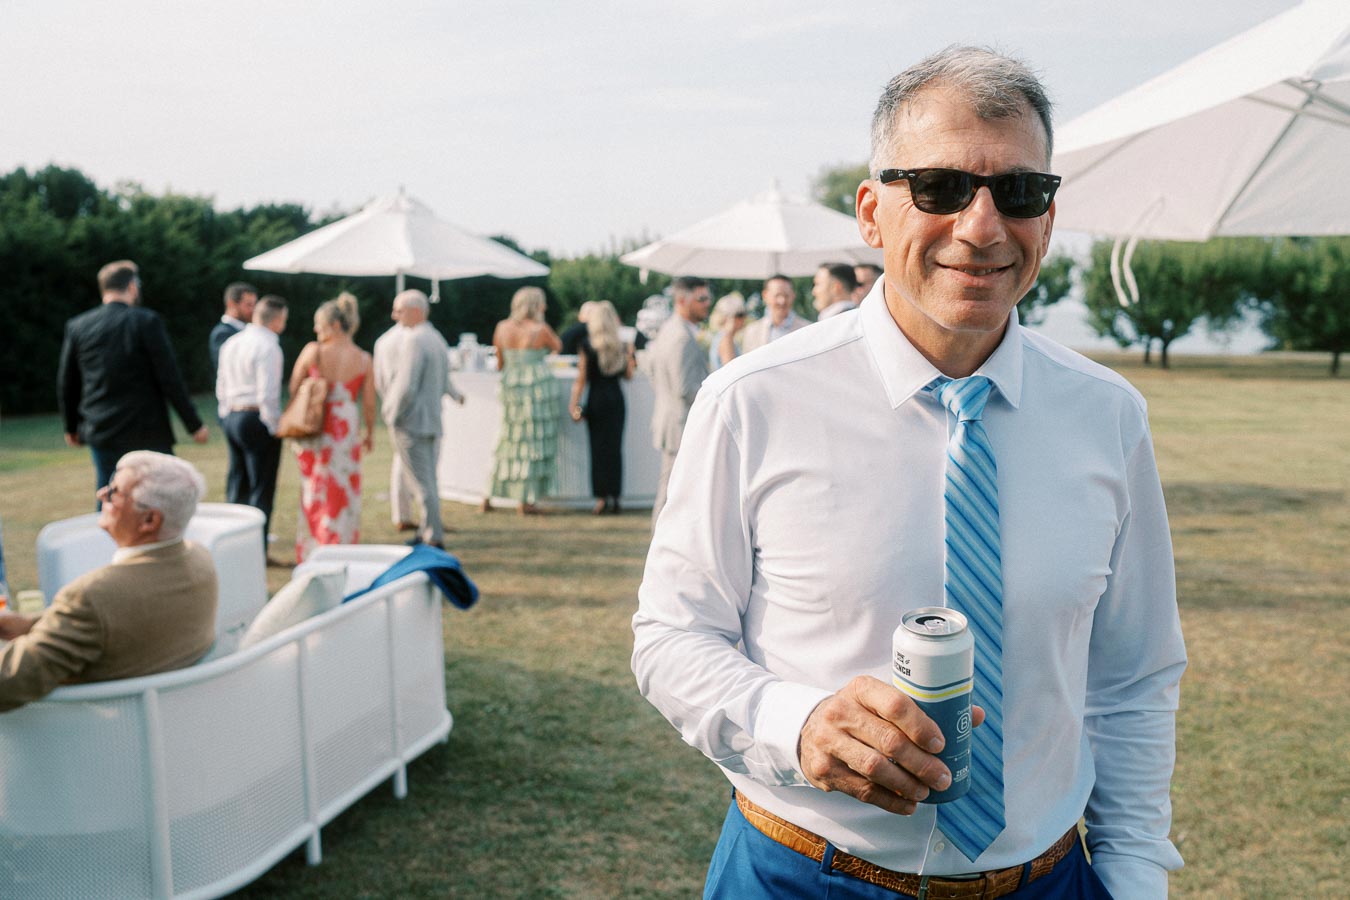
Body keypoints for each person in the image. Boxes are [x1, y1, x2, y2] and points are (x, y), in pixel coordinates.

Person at [633, 47, 1185, 900]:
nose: (982, 225)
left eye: (1020, 192)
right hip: (801, 875)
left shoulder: (1107, 416)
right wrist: (799, 722)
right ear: (871, 210)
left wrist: (1135, 873)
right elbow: (671, 637)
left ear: (1047, 212)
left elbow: (1133, 674)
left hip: (1048, 883)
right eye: (940, 188)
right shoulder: (754, 399)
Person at [0, 452, 217, 712]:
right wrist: (33, 623)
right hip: (165, 721)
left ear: (150, 520)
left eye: (115, 492)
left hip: (83, 734)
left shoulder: (93, 595)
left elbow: (9, 682)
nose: (101, 494)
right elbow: (124, 618)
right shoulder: (201, 560)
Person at [58, 260, 208, 493]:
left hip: (101, 428)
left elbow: (68, 382)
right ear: (132, 286)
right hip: (147, 430)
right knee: (160, 495)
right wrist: (194, 424)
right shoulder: (147, 321)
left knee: (110, 495)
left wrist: (71, 427)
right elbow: (169, 378)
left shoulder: (78, 326)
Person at [290, 292, 377, 563]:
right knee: (343, 484)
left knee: (315, 484)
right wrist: (369, 432)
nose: (316, 330)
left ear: (335, 325)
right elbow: (370, 404)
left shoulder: (312, 351)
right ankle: (340, 543)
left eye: (320, 324)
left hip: (317, 423)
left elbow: (294, 387)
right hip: (346, 424)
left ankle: (315, 545)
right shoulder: (363, 358)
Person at [373, 289, 464, 549]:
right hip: (432, 418)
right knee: (428, 479)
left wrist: (391, 413)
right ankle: (428, 530)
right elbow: (445, 379)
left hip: (412, 421)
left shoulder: (414, 340)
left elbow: (406, 384)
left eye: (399, 311)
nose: (395, 316)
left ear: (415, 311)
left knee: (421, 482)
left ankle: (433, 535)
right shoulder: (436, 337)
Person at [216, 294, 288, 560]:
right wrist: (273, 425)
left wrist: (225, 414)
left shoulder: (232, 343)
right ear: (277, 319)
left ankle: (232, 549)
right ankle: (256, 553)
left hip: (233, 415)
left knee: (238, 483)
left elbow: (221, 383)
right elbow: (267, 392)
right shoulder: (269, 346)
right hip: (256, 418)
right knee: (261, 487)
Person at [482, 286, 563, 515]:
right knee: (532, 444)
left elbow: (499, 363)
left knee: (507, 440)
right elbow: (558, 347)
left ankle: (487, 495)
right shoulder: (540, 329)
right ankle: (525, 500)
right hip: (536, 390)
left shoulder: (502, 327)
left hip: (511, 388)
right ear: (536, 305)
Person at [646, 275, 711, 526]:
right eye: (702, 298)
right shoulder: (681, 337)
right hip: (680, 425)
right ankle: (657, 550)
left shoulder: (671, 330)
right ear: (682, 300)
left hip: (673, 420)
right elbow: (686, 388)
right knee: (670, 494)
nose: (708, 303)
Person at [568, 300, 636, 515]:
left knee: (598, 450)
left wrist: (574, 404)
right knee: (615, 450)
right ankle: (616, 497)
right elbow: (628, 376)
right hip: (615, 399)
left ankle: (600, 498)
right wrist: (630, 357)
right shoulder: (622, 346)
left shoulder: (588, 345)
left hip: (596, 400)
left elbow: (581, 380)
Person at [740, 275, 808, 353]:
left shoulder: (807, 329)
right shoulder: (752, 331)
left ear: (793, 295)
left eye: (786, 295)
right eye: (777, 295)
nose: (782, 301)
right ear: (765, 296)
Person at [209, 281, 259, 378]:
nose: (253, 310)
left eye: (254, 305)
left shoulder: (250, 329)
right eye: (249, 305)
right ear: (231, 304)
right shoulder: (222, 333)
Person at [707, 292, 747, 372]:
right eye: (740, 315)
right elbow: (731, 372)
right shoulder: (726, 339)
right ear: (728, 317)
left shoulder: (722, 337)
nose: (744, 318)